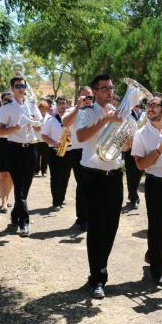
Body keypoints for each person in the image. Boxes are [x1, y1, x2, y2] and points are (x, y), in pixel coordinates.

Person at [76, 74, 125, 299]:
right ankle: (98, 277)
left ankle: (99, 269)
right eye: (104, 88)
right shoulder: (87, 112)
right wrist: (104, 121)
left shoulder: (119, 113)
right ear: (94, 92)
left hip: (114, 175)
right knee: (97, 226)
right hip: (92, 176)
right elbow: (81, 136)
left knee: (112, 226)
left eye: (111, 88)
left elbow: (125, 143)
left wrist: (127, 137)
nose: (109, 92)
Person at [132, 93, 162, 287]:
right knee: (155, 227)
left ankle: (152, 252)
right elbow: (140, 164)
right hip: (154, 183)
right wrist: (160, 149)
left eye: (154, 105)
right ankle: (157, 272)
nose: (150, 108)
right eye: (148, 105)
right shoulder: (141, 134)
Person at [0, 76, 42, 236]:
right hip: (14, 149)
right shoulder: (7, 107)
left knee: (26, 186)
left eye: (23, 85)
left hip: (31, 148)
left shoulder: (31, 104)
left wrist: (34, 122)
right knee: (19, 185)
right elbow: (1, 131)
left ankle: (16, 213)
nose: (21, 88)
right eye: (18, 86)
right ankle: (24, 223)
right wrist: (14, 128)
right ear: (12, 88)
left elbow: (40, 124)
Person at [61, 86, 94, 230]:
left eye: (90, 97)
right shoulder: (72, 110)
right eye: (84, 97)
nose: (88, 100)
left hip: (93, 151)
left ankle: (91, 216)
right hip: (78, 151)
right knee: (82, 185)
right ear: (79, 97)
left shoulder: (96, 110)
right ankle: (82, 218)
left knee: (92, 185)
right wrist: (78, 108)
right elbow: (66, 123)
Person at [41, 96, 75, 209]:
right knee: (55, 177)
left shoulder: (71, 119)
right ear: (57, 105)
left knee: (65, 176)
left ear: (67, 104)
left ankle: (61, 198)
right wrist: (54, 143)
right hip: (54, 151)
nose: (62, 105)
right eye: (60, 103)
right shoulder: (50, 120)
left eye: (64, 103)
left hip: (69, 151)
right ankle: (56, 201)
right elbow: (44, 136)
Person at [122, 103, 144, 210]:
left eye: (140, 103)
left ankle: (132, 195)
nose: (138, 105)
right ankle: (134, 197)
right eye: (136, 103)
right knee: (131, 174)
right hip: (130, 147)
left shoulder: (144, 114)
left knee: (139, 173)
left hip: (142, 148)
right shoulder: (127, 114)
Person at [34, 100, 51, 177]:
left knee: (45, 157)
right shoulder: (35, 117)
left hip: (46, 140)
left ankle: (44, 171)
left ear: (47, 109)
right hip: (37, 139)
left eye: (44, 108)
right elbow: (34, 127)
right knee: (36, 157)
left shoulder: (49, 117)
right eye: (41, 108)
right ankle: (36, 171)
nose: (43, 110)